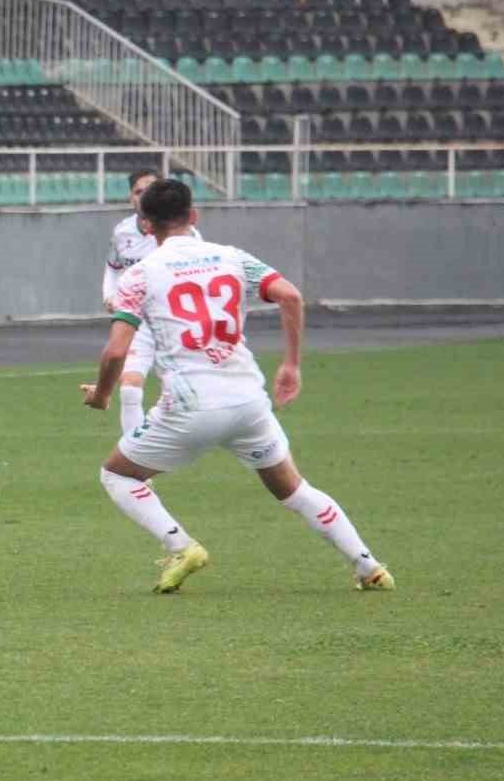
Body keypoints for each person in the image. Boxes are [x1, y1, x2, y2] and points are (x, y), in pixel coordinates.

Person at [79, 178, 393, 593]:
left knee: (117, 476)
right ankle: (369, 566)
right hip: (248, 401)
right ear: (194, 216)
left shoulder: (139, 275)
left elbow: (116, 352)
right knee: (295, 489)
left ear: (147, 226)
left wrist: (101, 395)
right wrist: (291, 365)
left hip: (189, 407)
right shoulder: (232, 258)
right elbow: (291, 296)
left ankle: (181, 546)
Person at [100, 168, 202, 438]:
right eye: (138, 191)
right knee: (130, 387)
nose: (144, 196)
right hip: (141, 321)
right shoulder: (122, 232)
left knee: (187, 391)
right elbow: (112, 266)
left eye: (150, 190)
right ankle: (135, 457)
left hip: (176, 320)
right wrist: (109, 295)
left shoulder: (186, 235)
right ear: (130, 197)